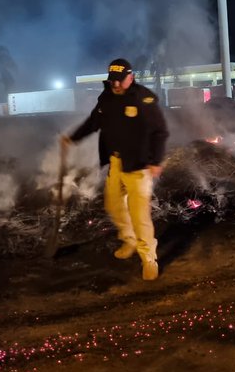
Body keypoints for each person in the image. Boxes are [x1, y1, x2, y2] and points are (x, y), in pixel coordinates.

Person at [61, 58, 169, 280]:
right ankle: (128, 239)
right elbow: (93, 123)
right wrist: (72, 138)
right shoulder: (107, 98)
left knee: (140, 217)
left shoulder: (143, 98)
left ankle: (149, 259)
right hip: (116, 164)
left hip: (139, 167)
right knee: (113, 206)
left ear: (131, 77)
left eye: (120, 81)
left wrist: (156, 161)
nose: (116, 85)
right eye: (113, 81)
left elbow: (160, 132)